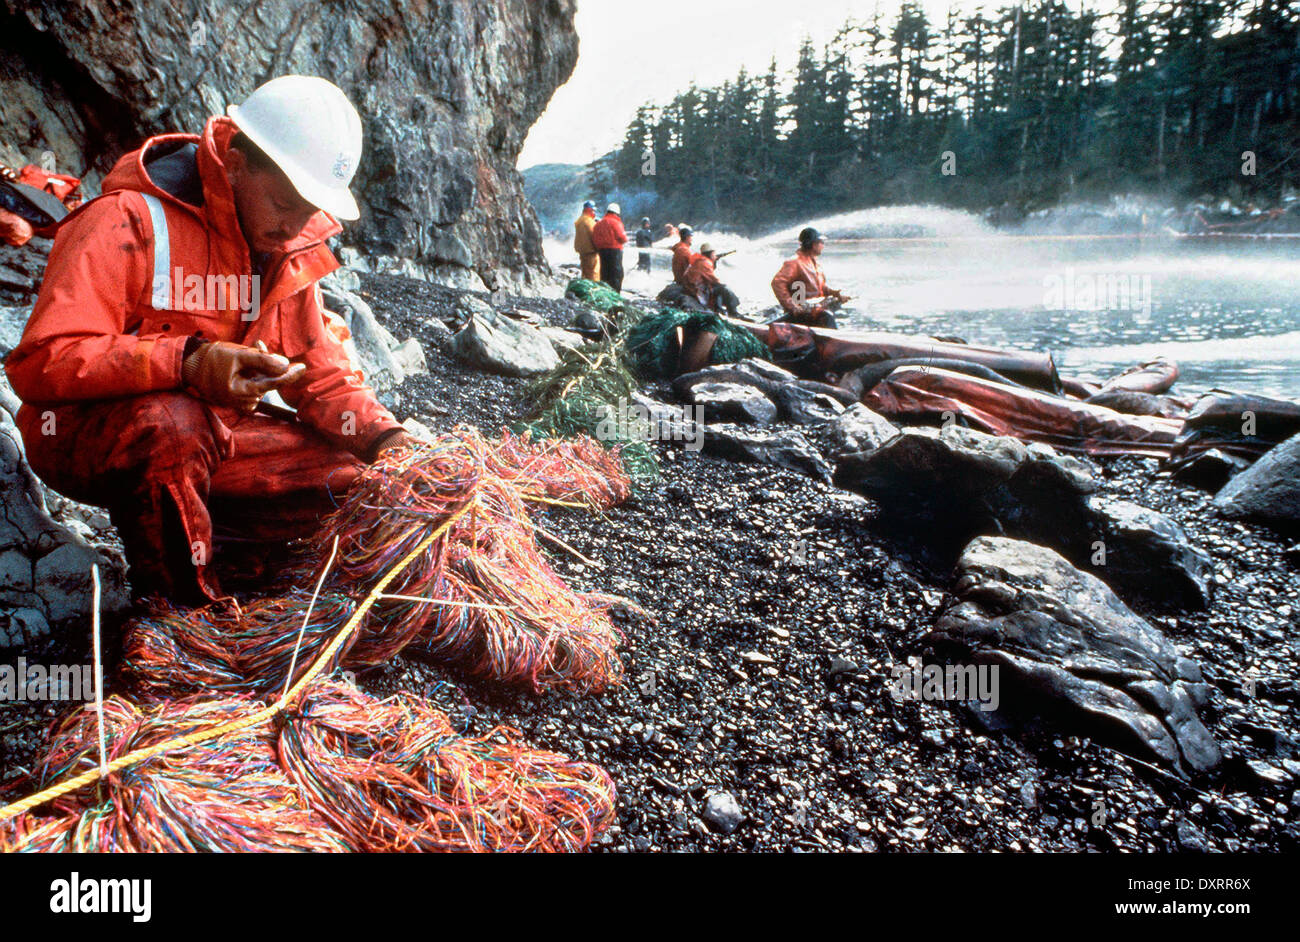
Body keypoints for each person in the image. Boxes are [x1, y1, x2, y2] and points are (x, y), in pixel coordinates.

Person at [4, 75, 417, 605]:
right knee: (173, 424)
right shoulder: (125, 218)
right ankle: (184, 610)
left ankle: (213, 539)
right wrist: (188, 362)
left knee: (362, 481)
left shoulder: (285, 247)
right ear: (238, 165)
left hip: (212, 441)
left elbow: (324, 376)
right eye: (284, 202)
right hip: (81, 435)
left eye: (309, 209)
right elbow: (41, 361)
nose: (295, 226)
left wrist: (387, 441)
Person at [771, 226, 851, 329]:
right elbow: (777, 283)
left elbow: (820, 288)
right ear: (813, 244)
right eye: (821, 242)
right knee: (827, 317)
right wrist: (792, 306)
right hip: (802, 315)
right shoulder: (794, 262)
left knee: (832, 313)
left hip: (815, 311)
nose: (823, 245)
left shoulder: (815, 263)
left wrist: (834, 293)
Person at [682, 243, 741, 317]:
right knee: (724, 288)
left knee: (718, 289)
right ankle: (733, 312)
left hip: (694, 288)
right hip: (698, 291)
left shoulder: (699, 261)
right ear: (710, 254)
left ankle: (718, 309)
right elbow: (714, 280)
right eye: (714, 254)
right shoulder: (705, 263)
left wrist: (714, 262)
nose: (715, 255)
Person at [590, 202, 628, 293]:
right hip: (615, 251)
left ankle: (605, 293)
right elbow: (622, 238)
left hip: (602, 251)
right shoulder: (616, 222)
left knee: (605, 273)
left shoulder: (599, 223)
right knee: (616, 274)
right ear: (617, 213)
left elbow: (594, 238)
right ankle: (615, 294)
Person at [573, 199, 600, 281]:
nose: (594, 213)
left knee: (585, 273)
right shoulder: (589, 222)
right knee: (593, 275)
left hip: (582, 252)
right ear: (589, 210)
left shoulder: (580, 220)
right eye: (593, 210)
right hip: (591, 253)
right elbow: (595, 236)